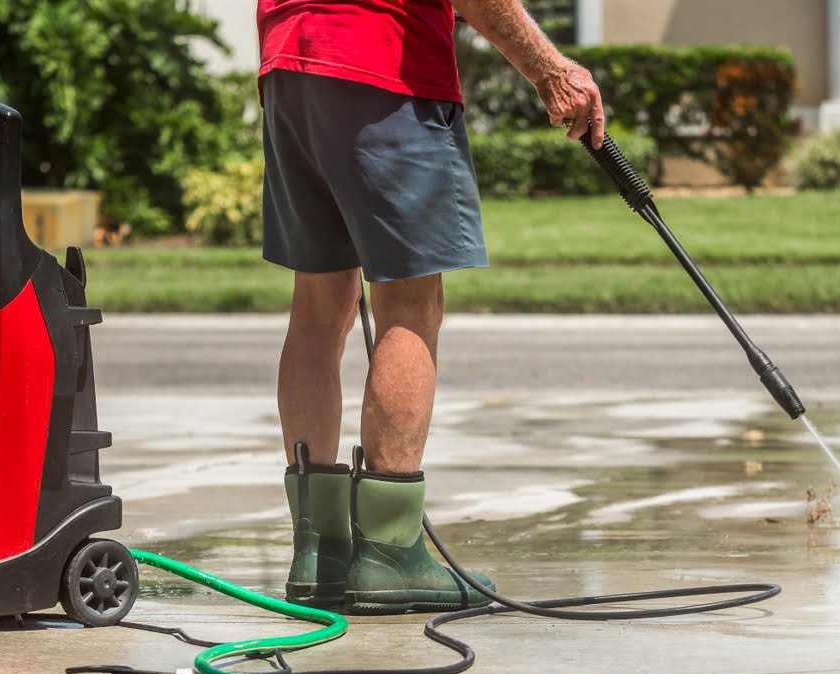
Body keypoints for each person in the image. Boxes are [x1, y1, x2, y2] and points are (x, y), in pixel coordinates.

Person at [257, 0, 605, 614]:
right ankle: (390, 554)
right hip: (381, 66)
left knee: (318, 300)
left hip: (289, 65)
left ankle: (318, 550)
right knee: (409, 301)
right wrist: (551, 71)